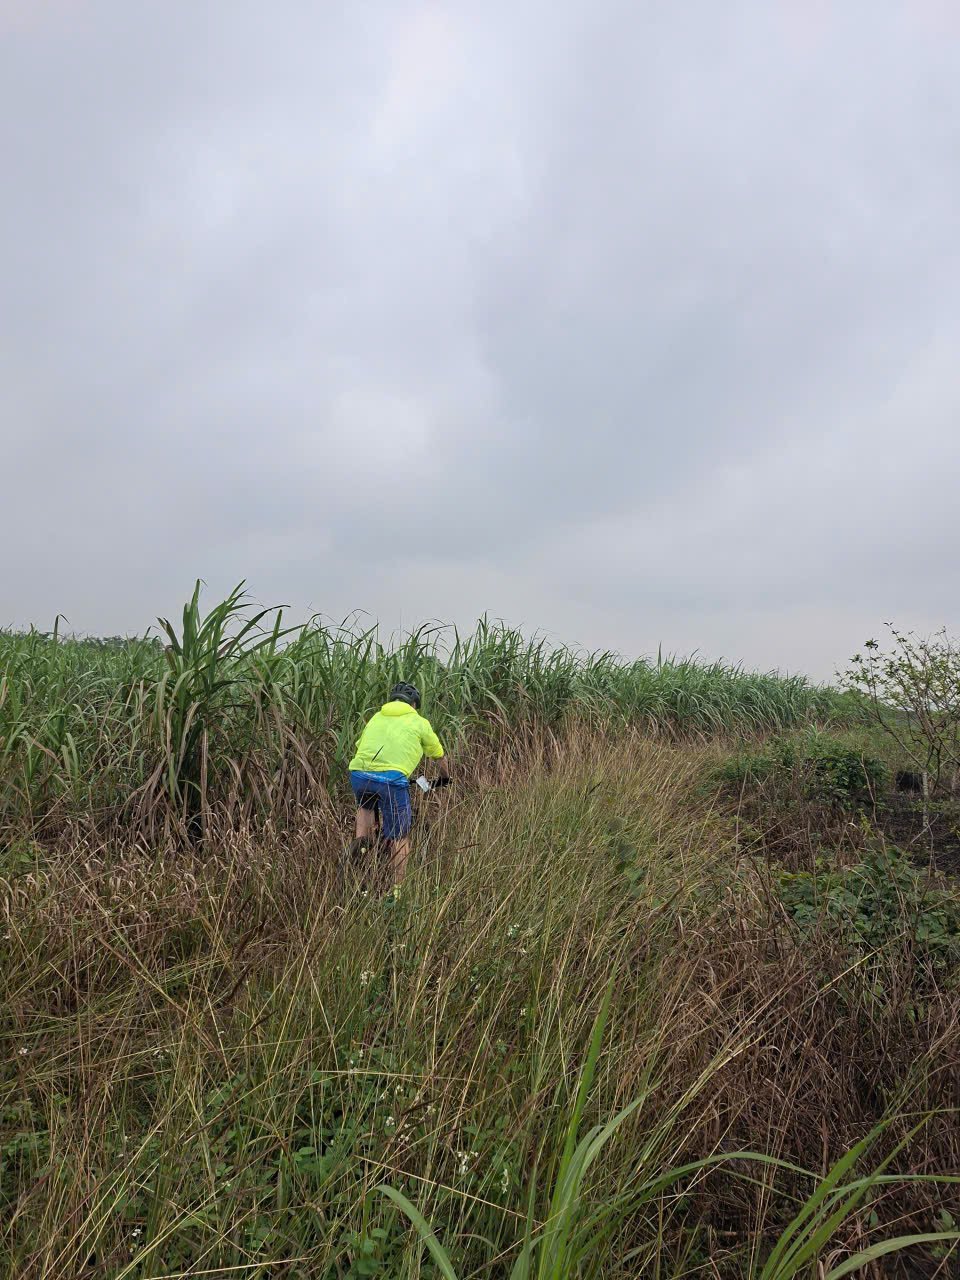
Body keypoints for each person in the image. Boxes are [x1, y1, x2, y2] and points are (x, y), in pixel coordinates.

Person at [348, 682, 450, 884]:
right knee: (399, 837)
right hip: (392, 780)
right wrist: (445, 777)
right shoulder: (420, 722)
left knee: (365, 808)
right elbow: (438, 755)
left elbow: (359, 745)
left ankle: (361, 849)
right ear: (414, 704)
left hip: (359, 774)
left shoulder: (377, 717)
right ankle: (397, 888)